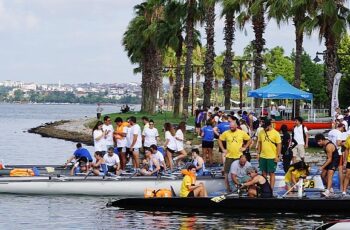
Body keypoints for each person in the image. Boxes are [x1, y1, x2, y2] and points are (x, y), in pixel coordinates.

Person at [218, 121, 251, 191]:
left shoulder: (241, 132)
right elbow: (219, 140)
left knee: (242, 172)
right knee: (226, 173)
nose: (231, 128)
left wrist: (245, 147)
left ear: (236, 126)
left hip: (239, 156)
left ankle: (243, 187)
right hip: (229, 156)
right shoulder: (226, 133)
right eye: (230, 127)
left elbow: (249, 139)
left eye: (232, 127)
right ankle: (228, 189)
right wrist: (223, 149)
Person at [257, 118, 282, 190]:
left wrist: (277, 156)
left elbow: (279, 145)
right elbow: (260, 143)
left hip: (272, 157)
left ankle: (271, 189)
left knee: (271, 173)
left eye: (266, 127)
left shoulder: (276, 133)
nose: (264, 128)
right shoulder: (261, 132)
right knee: (263, 173)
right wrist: (258, 153)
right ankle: (265, 188)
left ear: (269, 125)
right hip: (263, 156)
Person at [328, 123, 346, 191]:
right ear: (342, 127)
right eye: (343, 129)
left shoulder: (330, 132)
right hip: (338, 153)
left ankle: (330, 187)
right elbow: (338, 143)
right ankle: (341, 187)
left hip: (330, 152)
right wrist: (344, 143)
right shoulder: (339, 133)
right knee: (340, 170)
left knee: (330, 170)